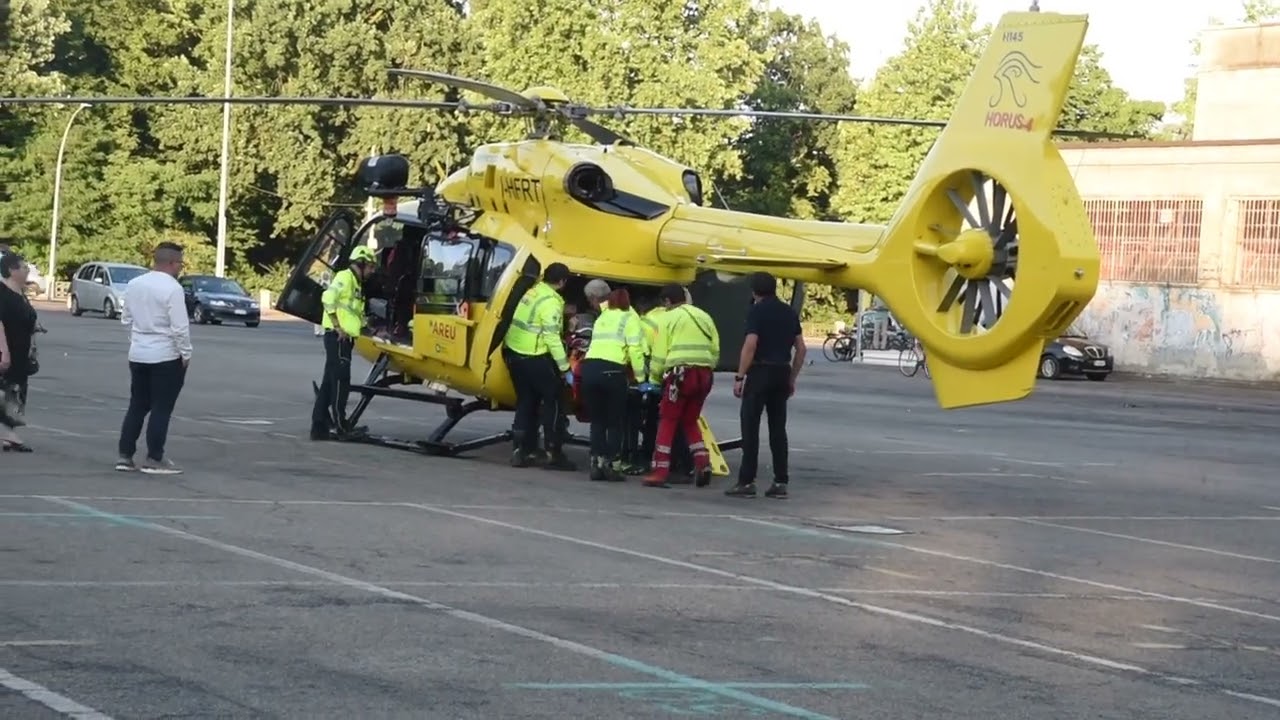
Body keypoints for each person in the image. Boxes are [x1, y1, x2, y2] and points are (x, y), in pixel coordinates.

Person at [114, 242, 193, 474]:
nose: (180, 267)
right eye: (180, 263)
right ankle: (154, 457)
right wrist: (185, 353)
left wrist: (135, 341)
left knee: (137, 405)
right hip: (165, 354)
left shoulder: (135, 284)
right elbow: (179, 327)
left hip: (138, 353)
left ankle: (125, 455)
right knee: (162, 407)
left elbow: (126, 319)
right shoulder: (172, 288)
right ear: (171, 263)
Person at [726, 271, 806, 499]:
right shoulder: (789, 312)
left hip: (760, 371)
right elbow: (801, 349)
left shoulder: (756, 311)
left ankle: (746, 481)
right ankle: (780, 481)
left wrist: (740, 376)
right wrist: (792, 378)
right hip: (781, 371)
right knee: (778, 430)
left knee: (750, 428)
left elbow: (751, 344)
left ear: (754, 291)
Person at [642, 283, 719, 489]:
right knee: (689, 421)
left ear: (667, 301)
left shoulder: (668, 318)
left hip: (680, 375)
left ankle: (660, 471)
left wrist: (654, 380)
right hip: (704, 375)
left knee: (667, 420)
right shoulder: (704, 316)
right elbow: (715, 348)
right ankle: (702, 463)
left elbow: (659, 354)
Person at [502, 262, 576, 471]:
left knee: (526, 400)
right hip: (534, 354)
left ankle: (521, 449)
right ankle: (554, 452)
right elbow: (552, 338)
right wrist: (565, 368)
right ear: (562, 282)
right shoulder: (551, 302)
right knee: (553, 399)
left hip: (514, 353)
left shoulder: (532, 292)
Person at [311, 245, 378, 441]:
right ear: (362, 264)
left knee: (328, 383)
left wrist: (366, 326)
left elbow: (352, 310)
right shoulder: (345, 277)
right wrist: (338, 326)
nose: (372, 271)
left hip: (342, 337)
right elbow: (328, 298)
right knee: (341, 381)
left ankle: (318, 427)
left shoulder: (355, 283)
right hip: (339, 337)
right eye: (371, 267)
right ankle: (342, 427)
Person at [580, 285, 647, 482]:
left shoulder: (602, 317)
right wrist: (642, 379)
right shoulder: (630, 319)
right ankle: (613, 465)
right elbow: (635, 350)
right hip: (612, 371)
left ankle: (596, 462)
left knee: (597, 420)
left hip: (590, 369)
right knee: (614, 422)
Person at [0, 253, 37, 452]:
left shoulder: (21, 293)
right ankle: (10, 435)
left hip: (21, 352)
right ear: (12, 270)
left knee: (16, 391)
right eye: (23, 267)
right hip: (7, 348)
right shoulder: (2, 292)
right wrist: (3, 351)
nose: (27, 270)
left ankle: (9, 433)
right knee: (4, 391)